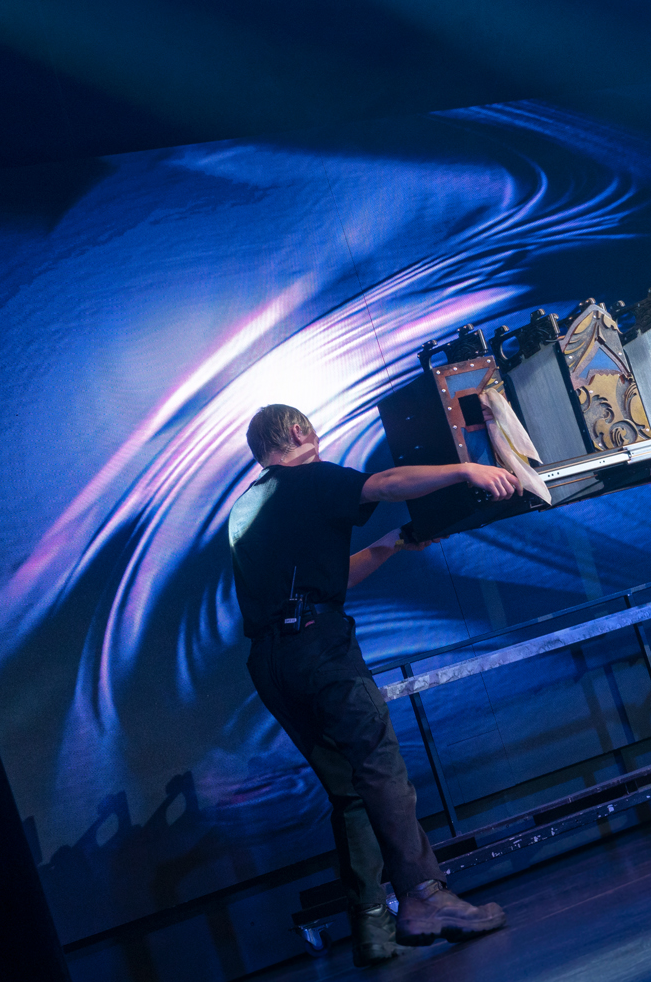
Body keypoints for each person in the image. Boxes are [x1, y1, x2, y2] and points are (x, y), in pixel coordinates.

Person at [228, 404, 522, 967]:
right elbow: (385, 484)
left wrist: (391, 543)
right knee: (380, 768)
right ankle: (425, 897)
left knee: (350, 791)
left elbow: (326, 580)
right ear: (299, 432)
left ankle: (370, 924)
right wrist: (466, 470)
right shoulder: (308, 478)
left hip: (271, 662)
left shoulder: (246, 510)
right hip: (320, 650)